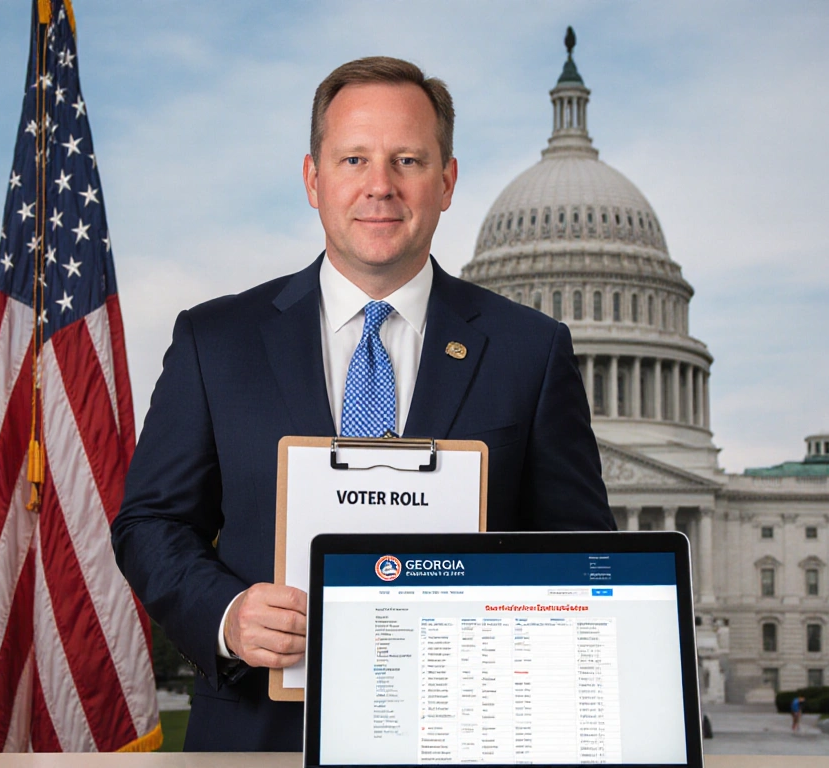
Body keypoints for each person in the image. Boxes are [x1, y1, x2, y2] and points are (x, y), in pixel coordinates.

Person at [112, 56, 615, 752]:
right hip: (260, 736)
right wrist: (227, 613)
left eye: (407, 159)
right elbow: (150, 522)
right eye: (354, 159)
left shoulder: (531, 351)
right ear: (314, 179)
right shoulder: (215, 340)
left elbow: (583, 555)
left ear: (447, 181)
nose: (380, 187)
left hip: (466, 738)